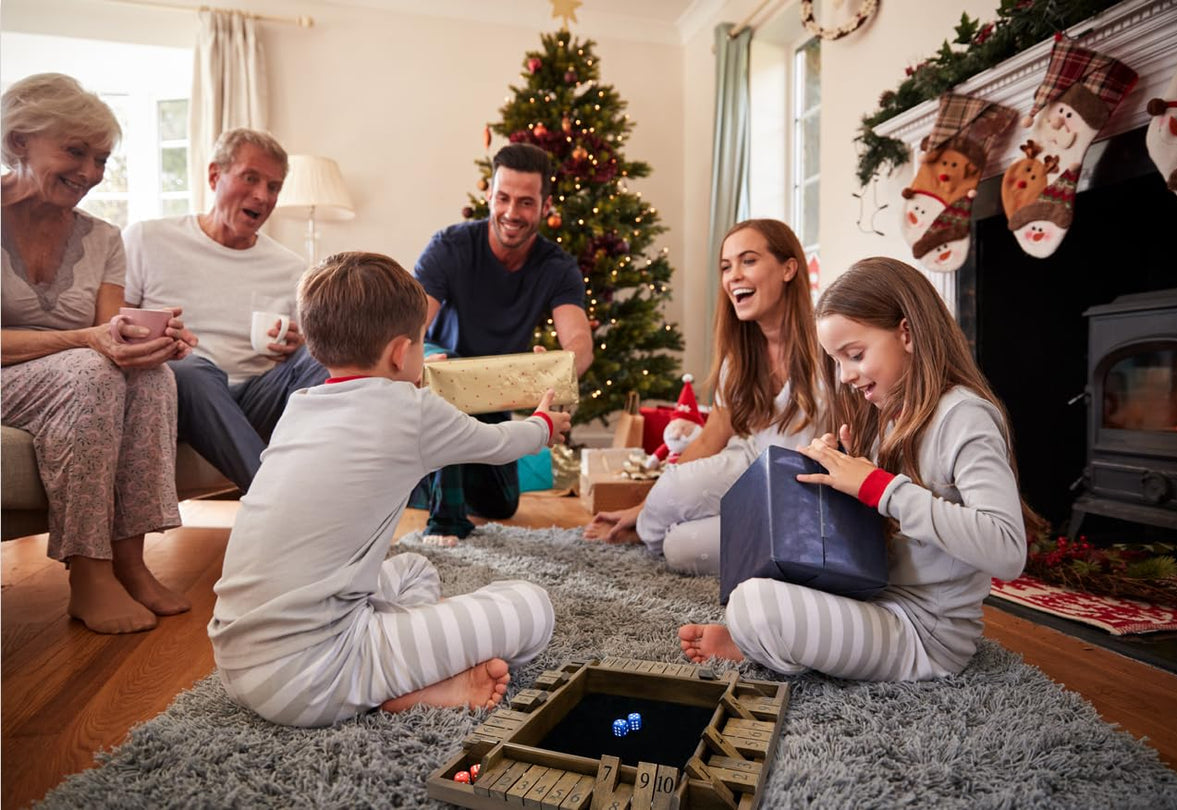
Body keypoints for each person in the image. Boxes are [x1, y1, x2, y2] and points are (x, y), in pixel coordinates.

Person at [208, 251, 567, 727]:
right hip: (310, 677)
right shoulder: (410, 410)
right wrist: (544, 424)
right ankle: (400, 685)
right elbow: (499, 443)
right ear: (402, 352)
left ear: (318, 347)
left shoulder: (300, 405)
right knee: (533, 607)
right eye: (421, 342)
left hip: (235, 660)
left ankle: (405, 666)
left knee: (415, 569)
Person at [680, 257, 1042, 682]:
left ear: (906, 333)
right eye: (836, 361)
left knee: (756, 605)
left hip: (924, 633)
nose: (845, 375)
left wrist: (877, 486)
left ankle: (761, 644)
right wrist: (840, 481)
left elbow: (1008, 551)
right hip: (870, 593)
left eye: (854, 355)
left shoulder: (965, 416)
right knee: (747, 592)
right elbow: (883, 530)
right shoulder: (887, 415)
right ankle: (764, 640)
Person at [1, 73, 197, 634]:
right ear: (19, 141)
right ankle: (87, 569)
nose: (90, 172)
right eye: (75, 151)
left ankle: (131, 563)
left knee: (154, 378)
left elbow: (107, 331)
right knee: (91, 371)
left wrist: (153, 341)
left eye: (102, 159)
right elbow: (90, 343)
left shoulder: (104, 237)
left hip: (68, 373)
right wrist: (89, 342)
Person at [583, 219, 821, 574]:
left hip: (809, 493)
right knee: (676, 532)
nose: (733, 276)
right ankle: (645, 525)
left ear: (789, 268)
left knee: (682, 547)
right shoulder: (738, 359)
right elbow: (712, 437)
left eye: (749, 261)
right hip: (752, 469)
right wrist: (644, 507)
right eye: (726, 267)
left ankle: (652, 527)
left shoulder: (828, 348)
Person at [123, 128, 328, 493]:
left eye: (274, 187)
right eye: (251, 178)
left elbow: (303, 360)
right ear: (215, 175)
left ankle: (340, 488)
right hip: (180, 395)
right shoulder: (147, 239)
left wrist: (297, 347)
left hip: (255, 398)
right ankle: (277, 499)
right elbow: (115, 325)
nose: (262, 196)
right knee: (191, 370)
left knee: (325, 354)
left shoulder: (290, 268)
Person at [412, 142, 593, 545]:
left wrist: (559, 368)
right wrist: (423, 359)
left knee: (501, 505)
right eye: (503, 198)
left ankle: (417, 479)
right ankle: (444, 520)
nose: (512, 213)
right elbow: (412, 323)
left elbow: (579, 339)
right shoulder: (449, 247)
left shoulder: (557, 266)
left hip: (497, 396)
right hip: (445, 378)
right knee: (450, 375)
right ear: (489, 196)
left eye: (526, 202)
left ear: (545, 207)